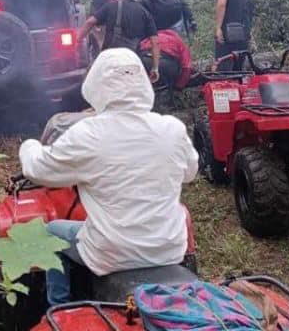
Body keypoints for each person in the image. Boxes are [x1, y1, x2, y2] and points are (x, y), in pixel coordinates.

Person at [19, 48, 199, 305]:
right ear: (143, 83)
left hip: (112, 255)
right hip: (168, 249)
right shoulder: (172, 128)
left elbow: (38, 170)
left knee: (52, 230)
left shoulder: (88, 133)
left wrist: (29, 146)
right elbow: (190, 173)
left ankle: (60, 309)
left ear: (96, 86)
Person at [77, 0, 160, 67]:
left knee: (93, 71)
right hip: (132, 60)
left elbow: (89, 22)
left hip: (109, 57)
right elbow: (155, 43)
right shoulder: (145, 13)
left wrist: (78, 40)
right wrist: (155, 68)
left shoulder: (110, 6)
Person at [214, 0, 254, 72]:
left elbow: (221, 4)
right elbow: (250, 15)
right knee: (238, 70)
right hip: (243, 36)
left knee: (223, 68)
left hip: (227, 34)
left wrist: (218, 28)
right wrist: (250, 36)